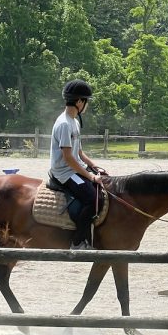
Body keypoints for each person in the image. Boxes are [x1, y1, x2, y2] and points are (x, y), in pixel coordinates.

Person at [49, 79, 106, 250]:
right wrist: (89, 176)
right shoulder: (65, 124)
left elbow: (79, 153)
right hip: (65, 172)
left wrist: (95, 167)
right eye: (86, 101)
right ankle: (78, 242)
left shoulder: (74, 121)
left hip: (74, 167)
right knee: (92, 198)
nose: (86, 105)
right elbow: (68, 158)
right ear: (80, 101)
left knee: (101, 186)